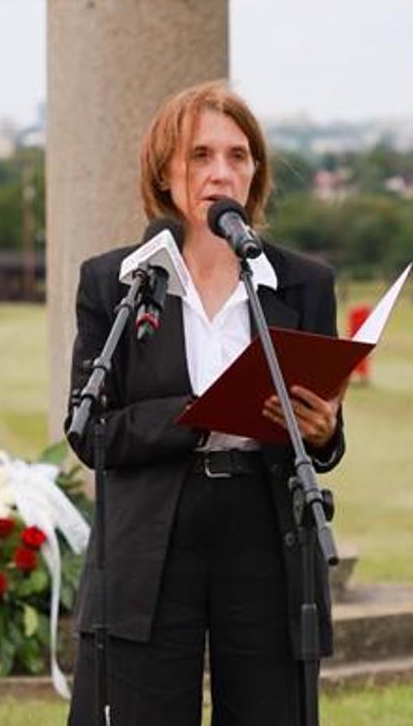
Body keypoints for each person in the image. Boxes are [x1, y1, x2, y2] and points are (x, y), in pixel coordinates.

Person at [66, 80, 346, 725]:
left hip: (263, 525)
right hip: (154, 530)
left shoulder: (303, 284)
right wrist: (198, 414)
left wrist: (324, 431)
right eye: (200, 155)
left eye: (238, 156)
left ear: (256, 173)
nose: (221, 172)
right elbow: (92, 431)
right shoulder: (115, 281)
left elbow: (325, 434)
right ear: (165, 172)